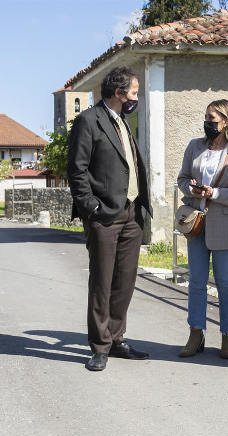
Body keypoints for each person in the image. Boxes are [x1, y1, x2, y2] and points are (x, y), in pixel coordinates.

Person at [67, 66, 152, 372]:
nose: (136, 97)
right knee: (102, 282)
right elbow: (77, 170)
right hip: (103, 215)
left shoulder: (122, 121)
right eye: (134, 92)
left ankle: (116, 339)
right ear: (119, 93)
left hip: (131, 213)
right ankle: (100, 346)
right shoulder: (89, 120)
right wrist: (93, 208)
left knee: (125, 282)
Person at [176, 100, 228, 359]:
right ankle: (195, 333)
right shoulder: (194, 146)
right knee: (196, 280)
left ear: (226, 121)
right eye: (206, 117)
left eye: (212, 118)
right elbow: (182, 179)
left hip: (225, 222)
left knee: (225, 282)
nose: (207, 122)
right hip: (196, 222)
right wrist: (192, 189)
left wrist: (214, 192)